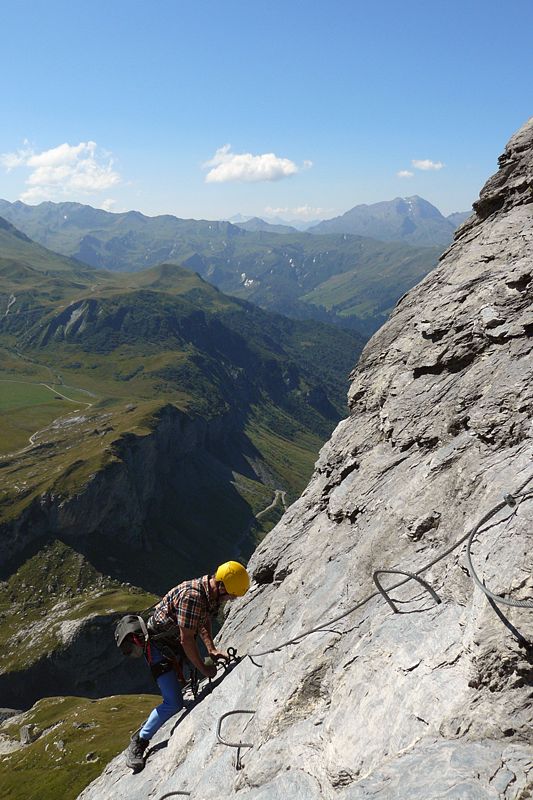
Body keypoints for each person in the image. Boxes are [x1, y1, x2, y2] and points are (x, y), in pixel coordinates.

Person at [126, 560, 250, 771]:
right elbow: (186, 639)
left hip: (172, 643)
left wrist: (211, 649)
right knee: (174, 702)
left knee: (182, 693)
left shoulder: (209, 592)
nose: (231, 599)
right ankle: (140, 740)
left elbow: (203, 620)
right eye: (230, 595)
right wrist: (203, 668)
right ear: (220, 586)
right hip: (158, 648)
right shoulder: (193, 597)